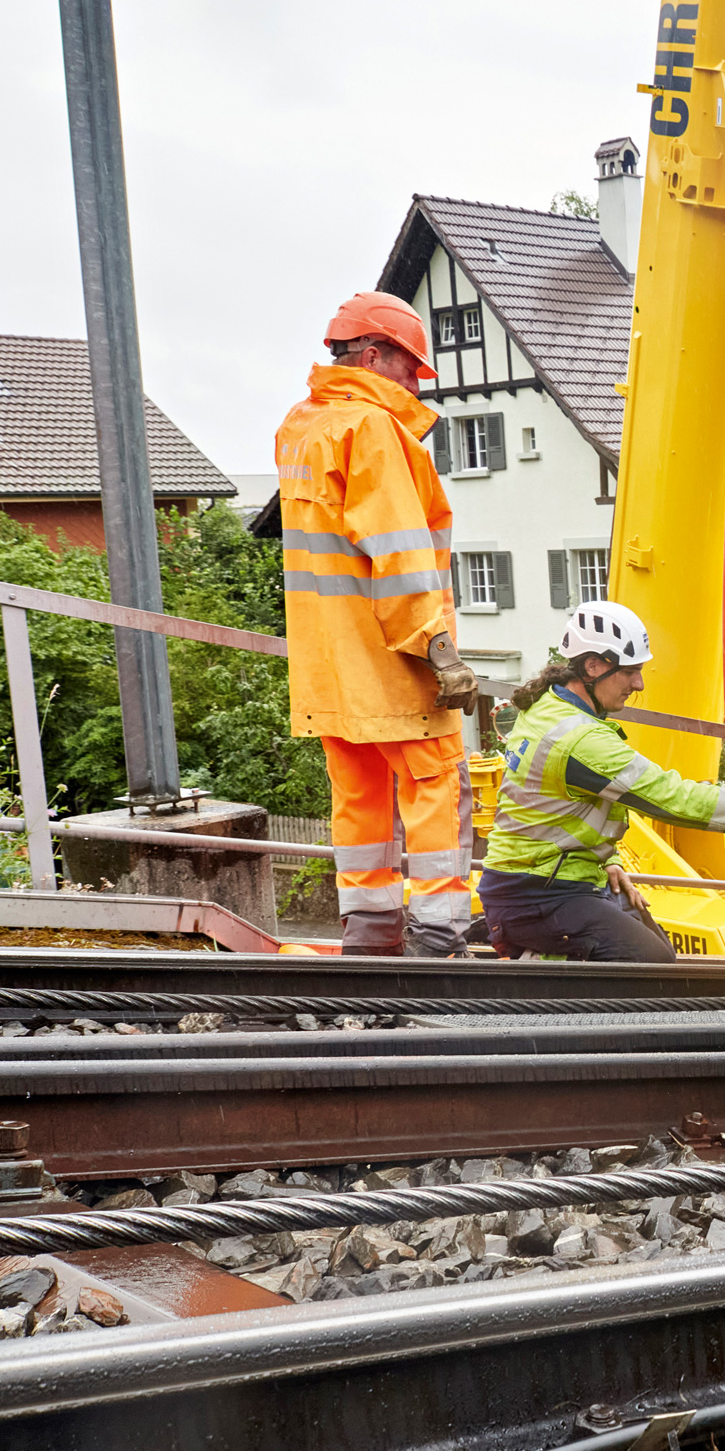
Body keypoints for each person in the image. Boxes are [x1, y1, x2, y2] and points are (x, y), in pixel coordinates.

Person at [276, 291, 480, 955]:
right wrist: (438, 649)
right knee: (436, 787)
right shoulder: (373, 430)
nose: (414, 381)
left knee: (359, 803)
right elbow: (399, 552)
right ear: (372, 354)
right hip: (394, 658)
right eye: (409, 366)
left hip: (329, 668)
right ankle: (438, 942)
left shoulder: (300, 428)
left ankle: (368, 941)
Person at [479, 601, 725, 960]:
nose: (637, 684)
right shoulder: (582, 740)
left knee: (662, 957)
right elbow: (674, 798)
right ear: (593, 666)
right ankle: (546, 986)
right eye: (630, 672)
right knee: (652, 966)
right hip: (537, 895)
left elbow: (549, 808)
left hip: (537, 881)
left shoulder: (546, 707)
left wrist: (606, 862)